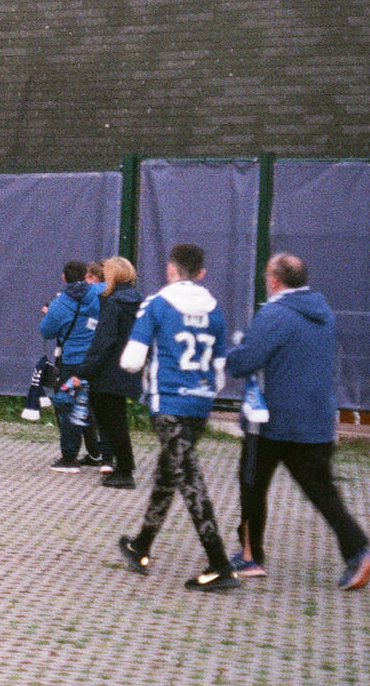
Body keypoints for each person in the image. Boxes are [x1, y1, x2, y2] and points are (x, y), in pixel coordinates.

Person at [222, 253, 370, 590]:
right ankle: (359, 553)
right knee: (323, 492)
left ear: (275, 281)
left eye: (268, 276)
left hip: (270, 420)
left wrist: (232, 354)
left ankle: (251, 555)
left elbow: (246, 360)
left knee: (252, 485)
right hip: (316, 421)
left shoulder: (274, 313)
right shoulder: (324, 313)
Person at [114, 242, 239, 592]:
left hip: (168, 402)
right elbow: (219, 369)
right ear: (201, 273)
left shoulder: (157, 304)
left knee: (188, 479)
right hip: (199, 403)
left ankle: (219, 564)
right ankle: (141, 546)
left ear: (170, 270)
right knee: (169, 473)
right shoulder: (215, 309)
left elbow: (132, 360)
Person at [78, 256, 144, 488]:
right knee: (117, 420)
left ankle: (125, 471)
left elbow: (104, 340)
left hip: (107, 371)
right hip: (128, 368)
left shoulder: (113, 303)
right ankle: (124, 466)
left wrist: (84, 370)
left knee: (109, 420)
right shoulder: (138, 301)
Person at [39, 260, 104, 473]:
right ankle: (101, 455)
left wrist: (50, 314)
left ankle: (69, 458)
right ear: (87, 275)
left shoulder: (60, 304)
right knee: (99, 407)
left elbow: (47, 331)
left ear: (64, 278)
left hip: (74, 362)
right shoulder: (99, 291)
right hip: (99, 359)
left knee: (68, 406)